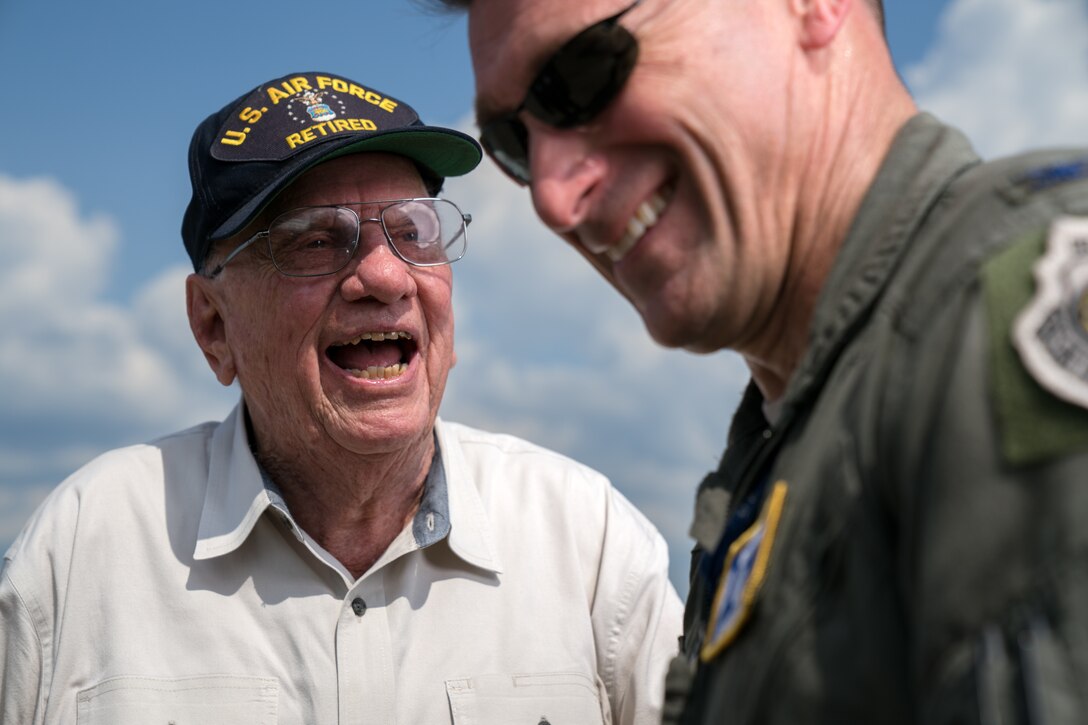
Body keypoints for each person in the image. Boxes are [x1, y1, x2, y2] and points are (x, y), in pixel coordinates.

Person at [433, 0, 1088, 721]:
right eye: (513, 143)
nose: (553, 198)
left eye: (583, 74)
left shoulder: (1004, 310)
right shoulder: (787, 446)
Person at [0, 70, 683, 724]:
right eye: (317, 240)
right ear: (213, 326)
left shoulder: (589, 544)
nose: (386, 274)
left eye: (413, 232)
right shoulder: (81, 554)